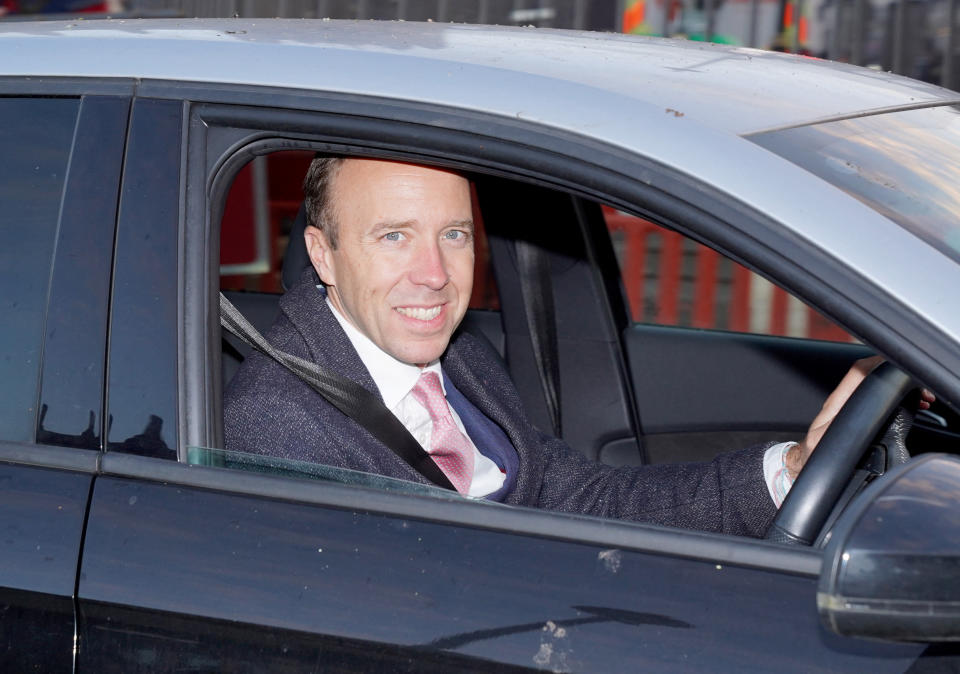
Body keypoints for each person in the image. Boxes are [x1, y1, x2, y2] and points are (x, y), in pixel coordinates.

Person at [223, 157, 927, 537]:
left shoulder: (456, 358)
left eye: (455, 234)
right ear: (322, 253)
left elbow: (576, 497)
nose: (435, 275)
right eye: (393, 236)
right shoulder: (280, 427)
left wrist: (793, 470)